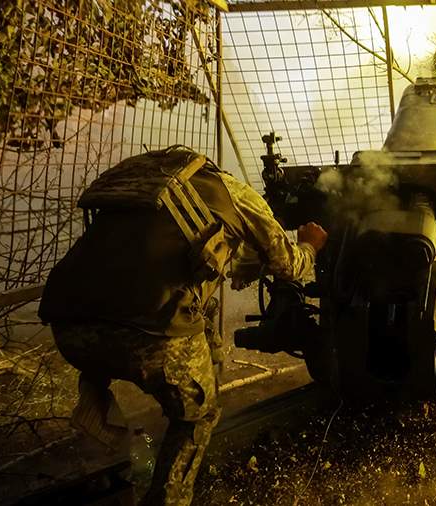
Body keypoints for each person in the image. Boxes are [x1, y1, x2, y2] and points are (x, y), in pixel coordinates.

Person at [38, 146, 327, 505]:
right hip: (145, 336)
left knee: (198, 318)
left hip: (69, 328)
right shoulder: (237, 195)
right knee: (200, 414)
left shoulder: (145, 185)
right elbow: (289, 266)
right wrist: (309, 245)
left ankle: (120, 438)